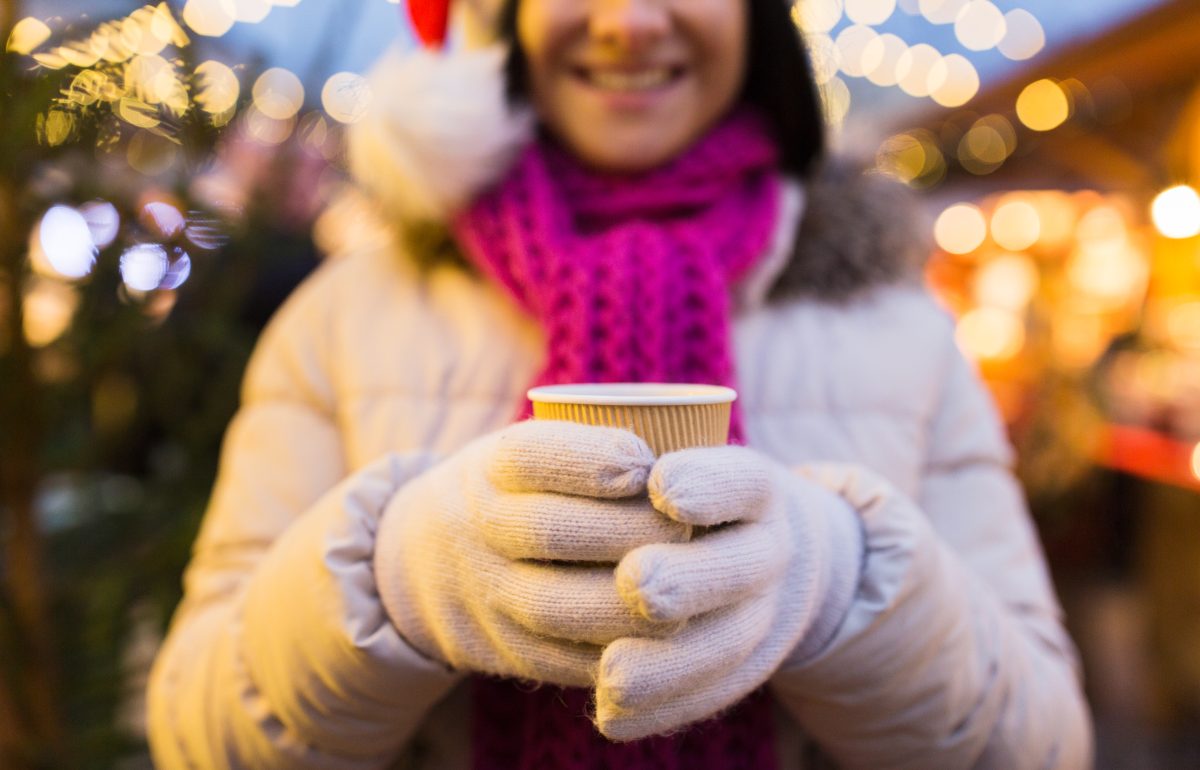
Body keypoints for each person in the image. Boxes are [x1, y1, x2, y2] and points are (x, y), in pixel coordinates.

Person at [145, 0, 1094, 765]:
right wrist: (394, 582)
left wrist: (843, 582)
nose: (630, 20)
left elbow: (1045, 742)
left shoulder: (899, 327)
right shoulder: (349, 313)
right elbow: (198, 730)